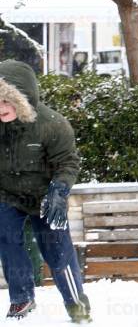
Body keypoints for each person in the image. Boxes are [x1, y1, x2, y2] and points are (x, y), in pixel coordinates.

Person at [0, 60, 91, 322]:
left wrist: (59, 191)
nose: (2, 108)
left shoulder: (52, 124)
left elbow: (67, 162)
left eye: (8, 101)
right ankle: (21, 298)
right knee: (7, 241)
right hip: (6, 194)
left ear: (22, 99)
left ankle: (76, 304)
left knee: (57, 251)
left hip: (45, 195)